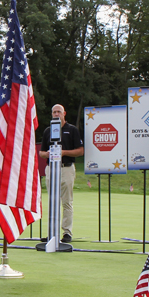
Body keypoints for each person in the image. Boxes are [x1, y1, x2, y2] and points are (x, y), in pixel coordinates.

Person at [39, 104, 84, 243]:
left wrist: (63, 152)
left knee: (66, 202)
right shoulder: (48, 131)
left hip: (66, 168)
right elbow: (41, 152)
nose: (56, 114)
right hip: (51, 168)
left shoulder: (71, 130)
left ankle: (67, 233)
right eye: (54, 112)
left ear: (64, 113)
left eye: (59, 111)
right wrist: (46, 154)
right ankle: (52, 233)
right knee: (53, 202)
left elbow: (80, 151)